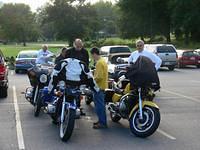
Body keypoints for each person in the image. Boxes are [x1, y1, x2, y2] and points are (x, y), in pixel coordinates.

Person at [47, 57, 99, 123]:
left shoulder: (63, 62)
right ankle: (57, 115)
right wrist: (96, 89)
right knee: (62, 97)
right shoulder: (81, 63)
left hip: (68, 85)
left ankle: (56, 116)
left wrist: (50, 88)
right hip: (74, 86)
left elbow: (54, 74)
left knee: (64, 97)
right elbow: (90, 76)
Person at [65, 39, 89, 115]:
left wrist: (86, 74)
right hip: (69, 75)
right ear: (74, 44)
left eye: (80, 46)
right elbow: (65, 62)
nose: (79, 47)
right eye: (77, 46)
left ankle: (78, 107)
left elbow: (86, 64)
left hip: (80, 76)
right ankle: (66, 106)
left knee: (78, 92)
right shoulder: (69, 51)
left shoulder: (85, 52)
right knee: (68, 91)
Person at [90, 47, 108, 129]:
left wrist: (92, 80)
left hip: (99, 87)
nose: (92, 57)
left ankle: (102, 123)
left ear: (94, 54)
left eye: (92, 55)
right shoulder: (103, 61)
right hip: (102, 86)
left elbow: (99, 77)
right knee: (100, 105)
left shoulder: (99, 63)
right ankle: (101, 120)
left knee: (99, 106)